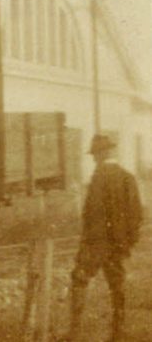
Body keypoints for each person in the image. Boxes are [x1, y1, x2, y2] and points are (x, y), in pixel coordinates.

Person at [64, 134, 143, 341]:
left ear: (102, 154)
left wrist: (87, 242)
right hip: (118, 244)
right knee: (117, 283)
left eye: (95, 154)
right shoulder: (127, 177)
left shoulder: (99, 177)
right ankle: (118, 332)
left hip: (96, 243)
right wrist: (127, 242)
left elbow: (92, 213)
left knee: (79, 279)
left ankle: (74, 333)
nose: (93, 159)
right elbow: (136, 214)